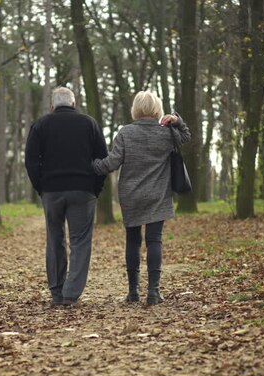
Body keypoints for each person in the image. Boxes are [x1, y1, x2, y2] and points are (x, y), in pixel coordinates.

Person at [92, 91, 191, 305]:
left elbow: (112, 163)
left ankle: (133, 291)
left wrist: (92, 166)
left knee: (133, 241)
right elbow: (185, 137)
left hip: (131, 195)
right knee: (154, 240)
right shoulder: (167, 133)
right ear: (157, 109)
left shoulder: (125, 133)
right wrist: (177, 120)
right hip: (158, 194)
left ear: (135, 109)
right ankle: (153, 292)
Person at [25, 87, 108, 306]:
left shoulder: (40, 125)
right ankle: (71, 295)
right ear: (74, 103)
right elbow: (103, 159)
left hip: (51, 191)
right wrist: (95, 188)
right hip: (83, 190)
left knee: (55, 239)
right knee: (80, 241)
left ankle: (57, 292)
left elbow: (31, 161)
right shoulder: (89, 123)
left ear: (52, 106)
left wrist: (41, 188)